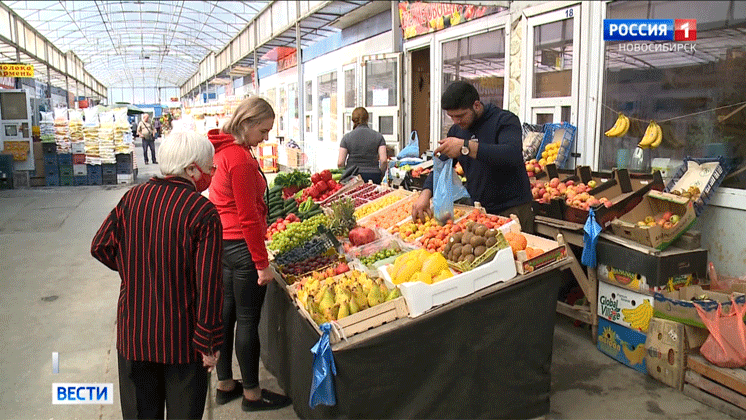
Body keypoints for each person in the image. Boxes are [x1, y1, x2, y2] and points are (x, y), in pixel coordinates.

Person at [90, 131, 224, 420]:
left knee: (141, 413)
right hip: (182, 340)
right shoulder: (202, 211)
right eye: (209, 167)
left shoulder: (132, 198)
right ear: (191, 169)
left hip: (134, 335)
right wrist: (209, 342)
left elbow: (100, 246)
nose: (211, 174)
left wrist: (133, 270)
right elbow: (209, 284)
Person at [206, 96, 292, 412]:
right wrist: (261, 264)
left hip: (223, 246)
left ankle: (226, 384)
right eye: (264, 130)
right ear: (247, 124)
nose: (266, 137)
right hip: (242, 247)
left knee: (227, 316)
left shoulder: (223, 150)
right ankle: (253, 395)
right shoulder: (240, 160)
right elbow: (247, 216)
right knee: (247, 321)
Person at [412, 80, 535, 233]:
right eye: (452, 117)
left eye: (460, 116)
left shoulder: (504, 120)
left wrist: (465, 146)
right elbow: (442, 164)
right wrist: (425, 194)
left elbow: (510, 154)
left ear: (476, 105)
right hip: (479, 210)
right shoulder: (456, 131)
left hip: (513, 208)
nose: (456, 121)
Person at [338, 107, 387, 184]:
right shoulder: (378, 136)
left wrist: (344, 174)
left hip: (353, 177)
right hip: (373, 176)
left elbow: (340, 162)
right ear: (367, 119)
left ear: (353, 120)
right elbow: (383, 160)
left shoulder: (346, 137)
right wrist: (381, 174)